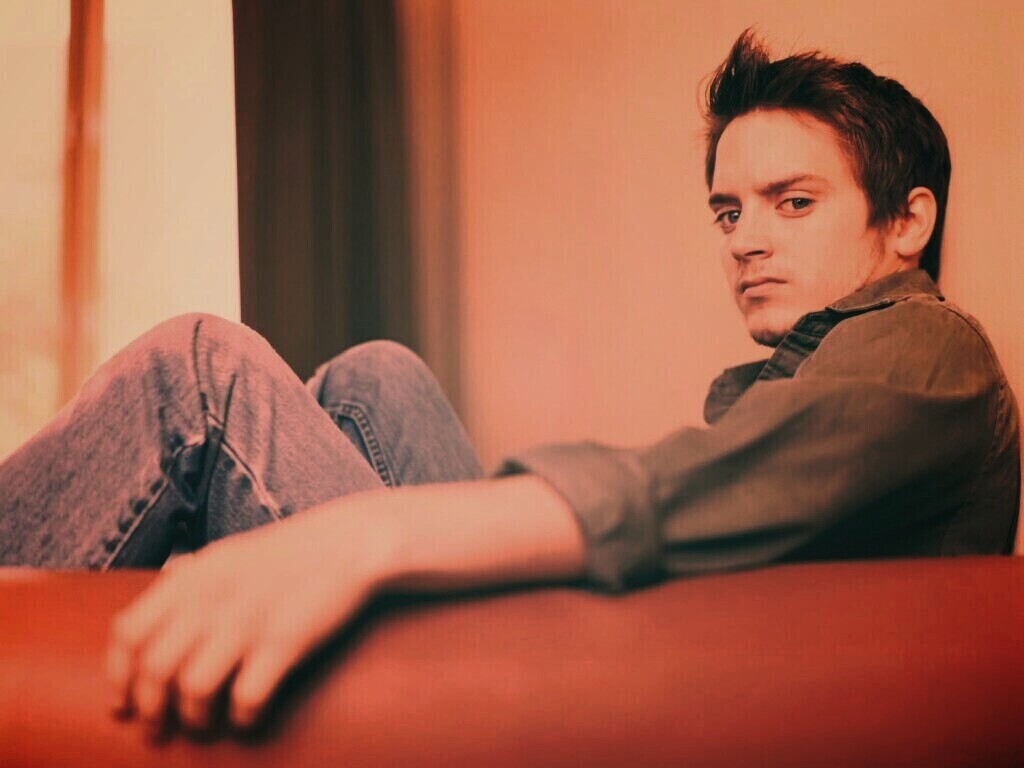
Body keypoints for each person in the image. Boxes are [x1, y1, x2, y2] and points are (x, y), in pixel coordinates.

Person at [0, 29, 1019, 737]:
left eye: (791, 203)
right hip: (628, 664)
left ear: (907, 221)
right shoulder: (827, 376)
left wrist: (362, 539)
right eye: (728, 212)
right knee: (378, 379)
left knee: (200, 373)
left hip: (609, 711)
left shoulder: (927, 350)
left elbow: (675, 495)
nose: (745, 239)